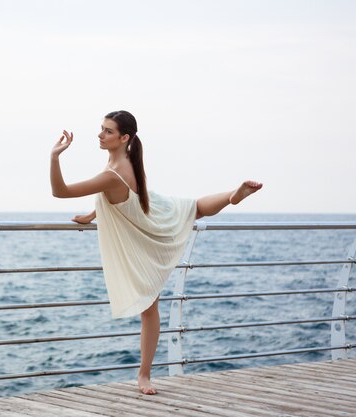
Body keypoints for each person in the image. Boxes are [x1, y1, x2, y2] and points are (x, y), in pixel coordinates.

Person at [50, 110, 262, 395]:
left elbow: (60, 191)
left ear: (124, 138)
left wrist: (55, 156)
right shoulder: (124, 160)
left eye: (107, 131)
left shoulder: (113, 172)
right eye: (101, 129)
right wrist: (93, 214)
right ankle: (230, 196)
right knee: (194, 207)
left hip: (144, 225)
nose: (100, 135)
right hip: (149, 208)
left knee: (150, 310)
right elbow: (112, 196)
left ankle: (144, 375)